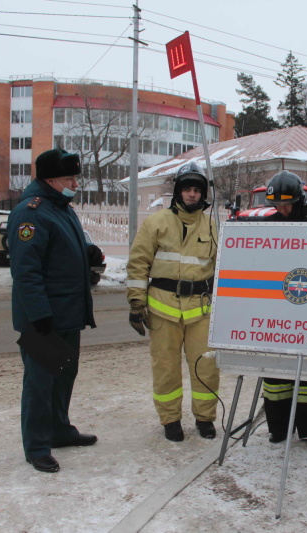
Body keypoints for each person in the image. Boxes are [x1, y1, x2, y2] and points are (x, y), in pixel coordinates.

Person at [9, 148, 101, 473]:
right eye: (69, 177)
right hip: (44, 319)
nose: (75, 182)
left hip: (67, 314)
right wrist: (39, 315)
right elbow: (26, 270)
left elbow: (58, 251)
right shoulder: (31, 213)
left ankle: (59, 430)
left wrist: (86, 252)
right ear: (50, 180)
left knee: (63, 376)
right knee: (40, 383)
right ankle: (37, 447)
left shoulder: (60, 208)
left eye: (75, 176)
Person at [126, 162, 220, 442]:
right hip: (161, 308)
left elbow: (222, 268)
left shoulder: (212, 225)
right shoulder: (156, 223)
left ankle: (205, 419)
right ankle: (171, 420)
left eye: (196, 190)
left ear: (203, 194)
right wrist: (135, 305)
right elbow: (138, 265)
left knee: (206, 366)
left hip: (200, 309)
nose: (192, 195)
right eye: (187, 189)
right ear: (178, 193)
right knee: (165, 367)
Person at [256, 170, 307, 453]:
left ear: (299, 200)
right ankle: (278, 428)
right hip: (279, 310)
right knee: (276, 373)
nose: (282, 210)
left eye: (287, 205)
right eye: (277, 206)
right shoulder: (270, 224)